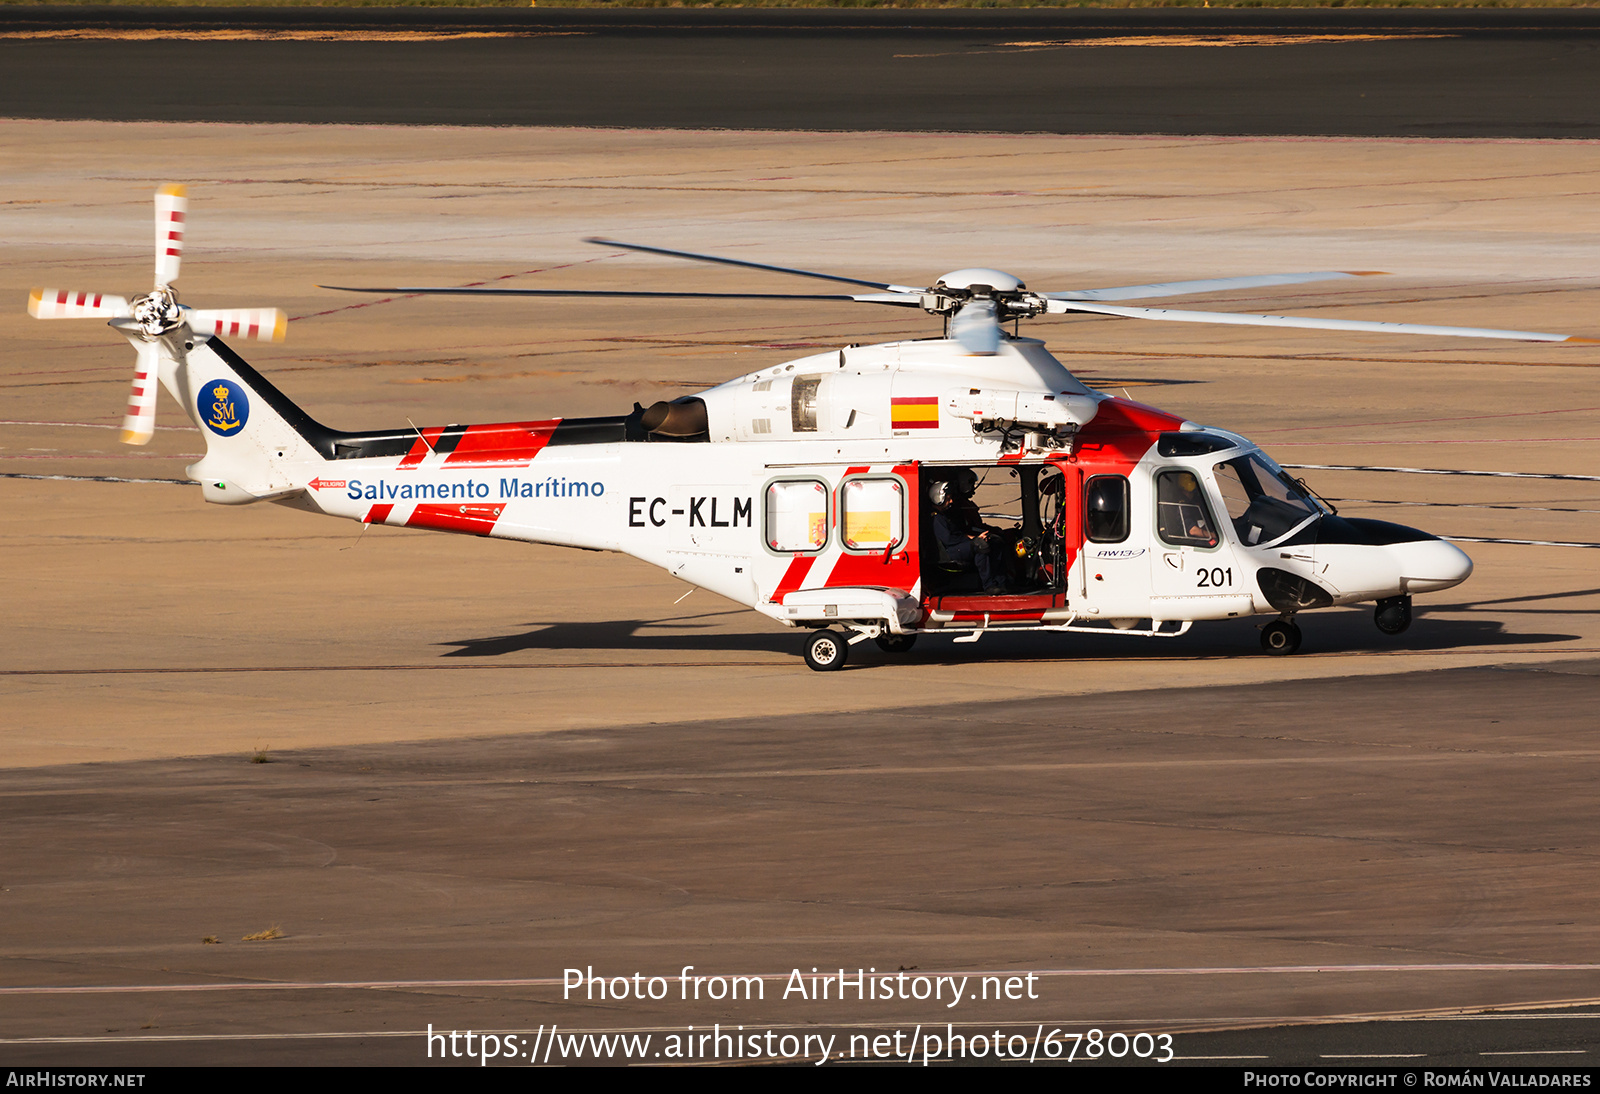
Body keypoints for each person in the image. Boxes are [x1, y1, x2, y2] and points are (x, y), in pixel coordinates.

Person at [930, 471, 1007, 594]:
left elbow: (958, 533)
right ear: (939, 498)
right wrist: (972, 540)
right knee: (980, 545)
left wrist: (973, 537)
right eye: (948, 499)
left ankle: (1001, 583)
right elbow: (949, 539)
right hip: (948, 552)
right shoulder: (936, 518)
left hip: (957, 546)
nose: (951, 502)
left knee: (995, 542)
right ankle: (989, 586)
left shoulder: (947, 515)